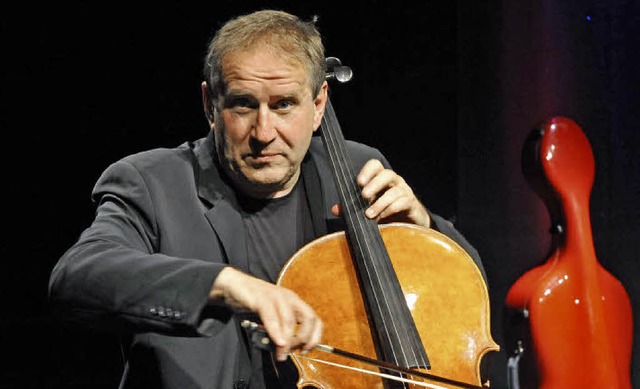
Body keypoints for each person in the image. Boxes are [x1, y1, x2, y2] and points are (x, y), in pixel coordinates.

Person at [48, 9, 487, 389]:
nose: (263, 133)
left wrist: (425, 229)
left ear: (318, 105)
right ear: (209, 104)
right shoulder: (152, 182)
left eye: (283, 105)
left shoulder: (355, 172)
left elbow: (466, 301)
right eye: (242, 105)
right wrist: (227, 284)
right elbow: (77, 277)